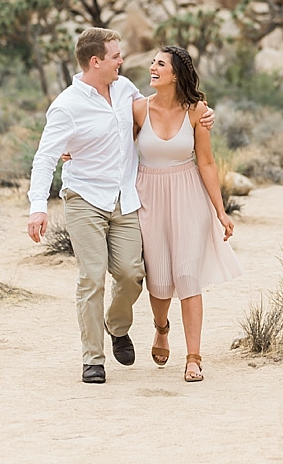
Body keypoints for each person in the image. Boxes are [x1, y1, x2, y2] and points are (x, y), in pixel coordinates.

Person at [25, 28, 213, 384]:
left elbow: (162, 109)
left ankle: (116, 325)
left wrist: (204, 113)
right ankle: (93, 359)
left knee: (131, 274)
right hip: (85, 198)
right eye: (116, 56)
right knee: (92, 277)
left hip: (125, 198)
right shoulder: (66, 106)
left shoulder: (126, 90)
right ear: (96, 61)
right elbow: (45, 157)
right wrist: (38, 206)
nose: (122, 61)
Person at [134, 45, 241, 383]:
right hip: (148, 197)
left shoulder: (197, 111)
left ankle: (193, 357)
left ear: (175, 74)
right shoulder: (138, 109)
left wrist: (220, 211)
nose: (153, 68)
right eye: (153, 62)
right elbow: (113, 147)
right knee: (158, 279)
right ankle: (161, 328)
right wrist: (72, 152)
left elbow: (206, 162)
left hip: (188, 195)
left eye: (160, 64)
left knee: (187, 275)